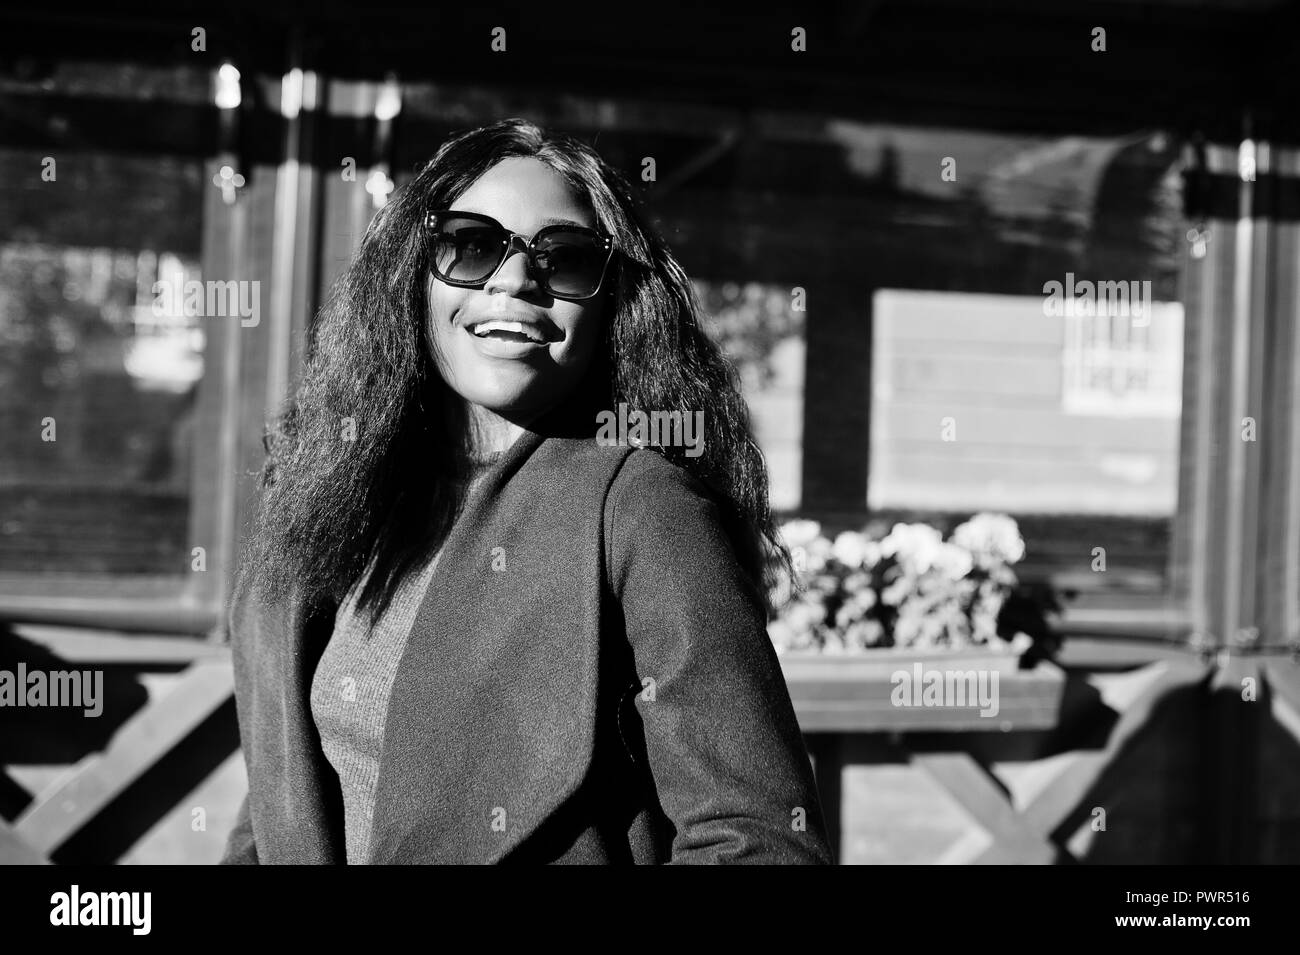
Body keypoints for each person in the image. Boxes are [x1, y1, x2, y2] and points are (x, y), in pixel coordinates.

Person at [221, 118, 832, 864]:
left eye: (565, 259)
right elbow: (281, 800)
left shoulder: (642, 507)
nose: (515, 281)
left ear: (608, 305)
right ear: (411, 270)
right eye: (473, 245)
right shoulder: (328, 491)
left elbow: (762, 839)